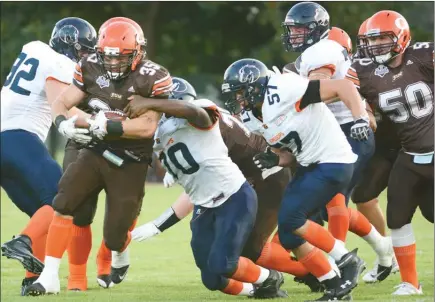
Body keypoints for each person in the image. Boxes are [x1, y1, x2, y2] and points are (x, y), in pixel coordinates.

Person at [24, 19, 172, 296]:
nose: (113, 64)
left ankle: (115, 253)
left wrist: (107, 125)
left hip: (130, 157)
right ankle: (50, 276)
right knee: (66, 201)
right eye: (108, 56)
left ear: (138, 52)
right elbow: (62, 101)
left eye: (121, 57)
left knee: (116, 234)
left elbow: (146, 127)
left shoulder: (153, 76)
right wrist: (61, 123)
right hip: (95, 147)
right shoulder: (90, 64)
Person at [124, 79, 285, 299]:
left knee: (224, 264)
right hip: (205, 204)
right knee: (212, 278)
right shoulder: (162, 135)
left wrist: (151, 102)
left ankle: (269, 278)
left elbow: (191, 111)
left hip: (233, 196)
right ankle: (255, 290)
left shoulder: (202, 114)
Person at [222, 58, 368, 300]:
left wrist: (360, 118)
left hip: (333, 159)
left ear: (256, 86)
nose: (238, 100)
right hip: (309, 165)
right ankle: (334, 287)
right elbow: (290, 152)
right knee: (289, 236)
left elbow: (344, 87)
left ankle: (345, 260)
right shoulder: (251, 117)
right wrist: (276, 159)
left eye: (240, 93)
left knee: (290, 218)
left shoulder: (283, 88)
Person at [1, 17, 96, 295]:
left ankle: (33, 279)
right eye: (83, 51)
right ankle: (23, 241)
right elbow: (60, 105)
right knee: (64, 197)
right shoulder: (61, 63)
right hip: (18, 137)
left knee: (44, 211)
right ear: (71, 45)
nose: (84, 57)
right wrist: (101, 120)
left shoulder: (34, 47)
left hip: (6, 138)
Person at [346, 10, 434, 295]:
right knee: (396, 216)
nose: (377, 45)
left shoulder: (424, 56)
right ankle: (410, 282)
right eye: (372, 40)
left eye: (383, 38)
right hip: (408, 154)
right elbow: (330, 83)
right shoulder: (365, 71)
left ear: (401, 37)